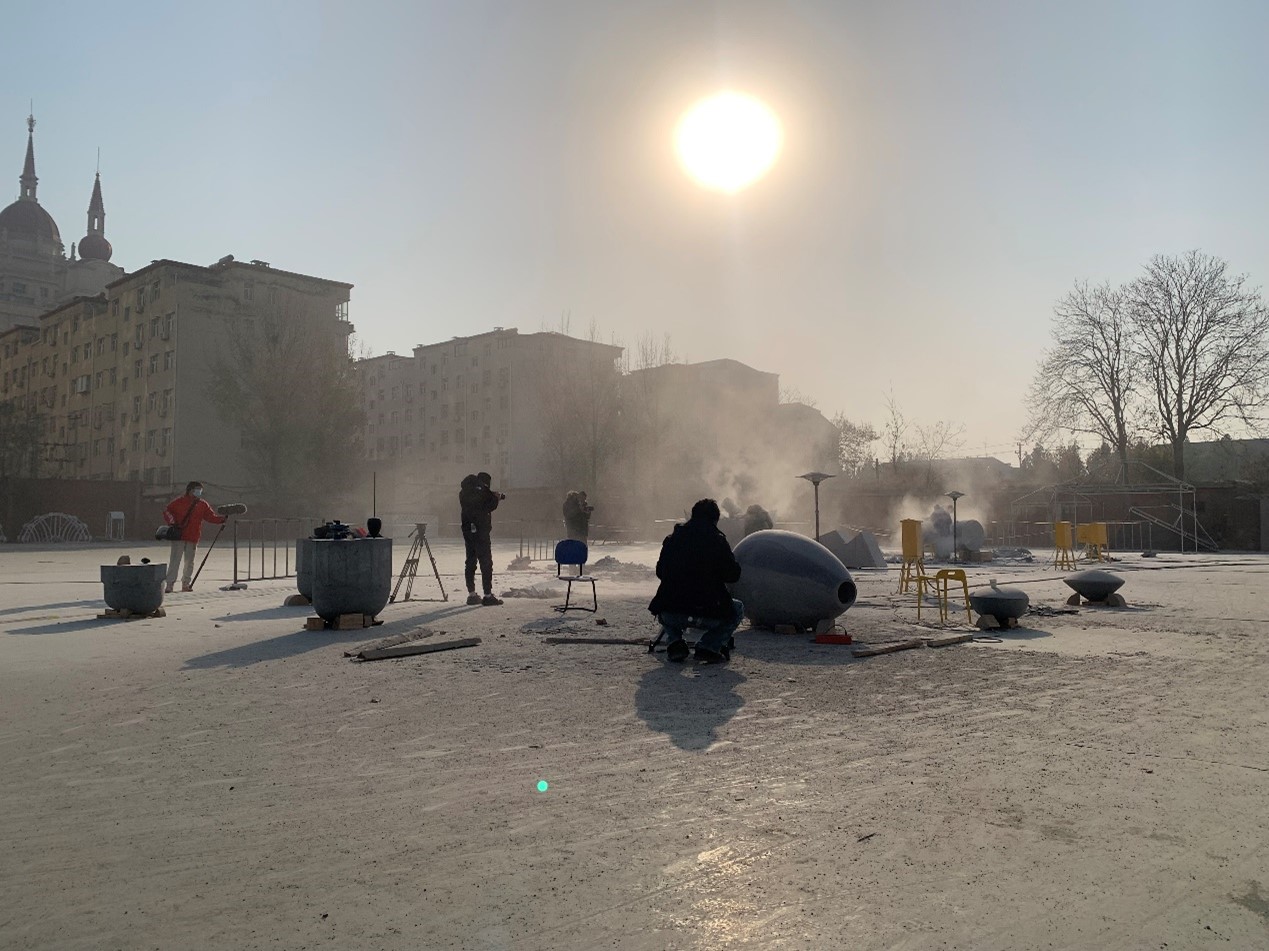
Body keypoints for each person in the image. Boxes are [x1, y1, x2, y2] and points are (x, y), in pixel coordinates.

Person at [648, 498, 744, 664]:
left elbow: (660, 572)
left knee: (663, 602)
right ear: (715, 520)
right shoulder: (718, 541)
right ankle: (708, 646)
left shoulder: (673, 539)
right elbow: (733, 575)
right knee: (738, 609)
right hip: (709, 612)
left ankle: (675, 643)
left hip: (672, 612)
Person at [162, 481, 227, 593]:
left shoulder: (202, 504)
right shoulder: (179, 502)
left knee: (189, 562)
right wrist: (172, 521)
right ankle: (170, 584)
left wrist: (221, 520)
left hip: (193, 536)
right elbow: (167, 510)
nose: (199, 492)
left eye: (200, 490)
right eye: (197, 489)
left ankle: (186, 583)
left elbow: (210, 516)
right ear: (190, 490)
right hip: (179, 536)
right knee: (175, 561)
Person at [459, 471, 504, 606]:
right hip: (481, 531)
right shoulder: (483, 491)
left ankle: (471, 594)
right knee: (486, 562)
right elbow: (489, 506)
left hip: (468, 531)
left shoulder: (464, 492)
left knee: (470, 561)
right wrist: (496, 498)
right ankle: (488, 595)